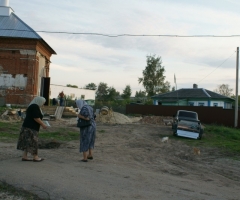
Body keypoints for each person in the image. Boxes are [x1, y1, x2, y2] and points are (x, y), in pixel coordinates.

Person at [17, 96, 47, 162]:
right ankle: (35, 157)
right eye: (43, 102)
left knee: (28, 142)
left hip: (28, 127)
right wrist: (43, 124)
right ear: (39, 101)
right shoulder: (34, 106)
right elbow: (36, 117)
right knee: (33, 142)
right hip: (31, 128)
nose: (43, 104)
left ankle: (24, 156)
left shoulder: (33, 106)